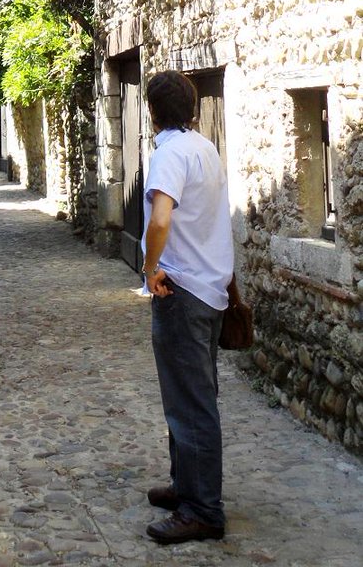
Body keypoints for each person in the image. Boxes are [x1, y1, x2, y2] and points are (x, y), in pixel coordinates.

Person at [141, 70, 233, 546]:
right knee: (192, 394)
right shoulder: (203, 148)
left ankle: (202, 509)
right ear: (192, 109)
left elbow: (161, 218)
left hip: (182, 289)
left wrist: (149, 265)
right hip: (211, 286)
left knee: (190, 402)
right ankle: (186, 487)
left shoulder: (169, 153)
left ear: (152, 111)